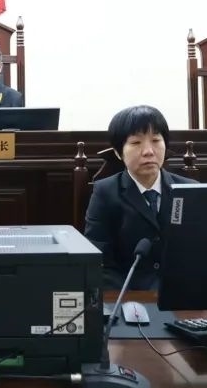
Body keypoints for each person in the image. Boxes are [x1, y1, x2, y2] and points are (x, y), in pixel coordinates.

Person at [84, 105, 197, 291]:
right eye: (136, 143)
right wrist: (129, 300)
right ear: (118, 152)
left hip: (182, 295)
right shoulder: (105, 193)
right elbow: (101, 261)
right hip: (129, 297)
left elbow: (201, 252)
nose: (148, 151)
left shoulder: (189, 190)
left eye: (156, 140)